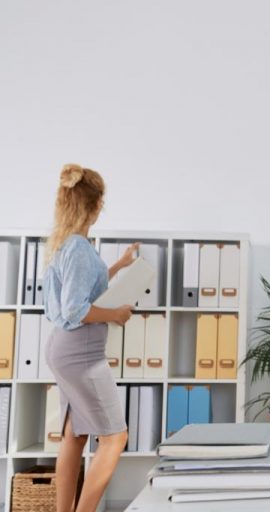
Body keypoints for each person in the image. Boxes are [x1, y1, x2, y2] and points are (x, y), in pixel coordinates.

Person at [43, 164, 138, 512]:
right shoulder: (80, 248)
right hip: (81, 354)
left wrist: (119, 266)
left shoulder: (66, 244)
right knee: (115, 437)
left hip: (62, 348)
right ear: (96, 205)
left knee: (74, 435)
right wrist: (115, 315)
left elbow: (83, 290)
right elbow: (76, 309)